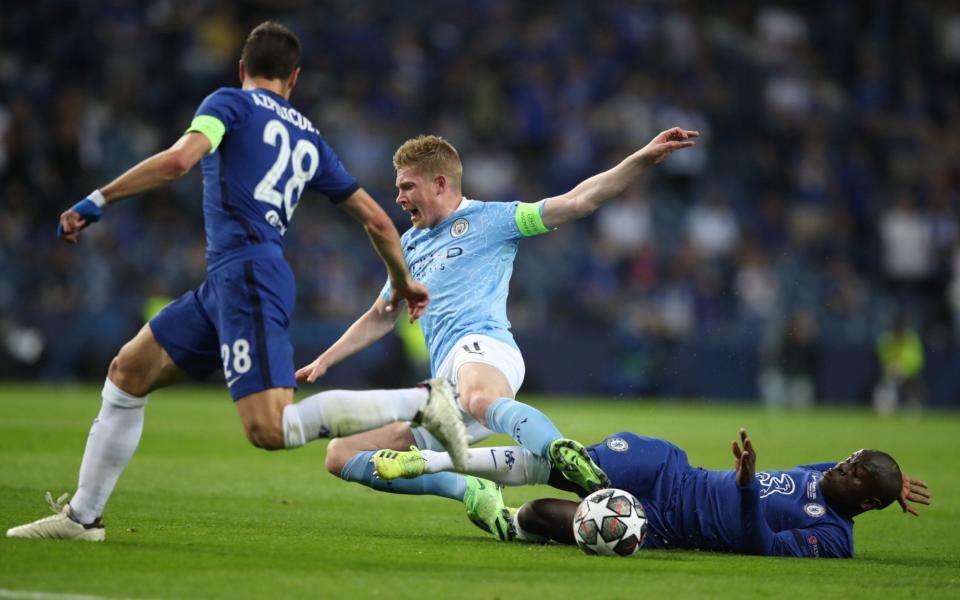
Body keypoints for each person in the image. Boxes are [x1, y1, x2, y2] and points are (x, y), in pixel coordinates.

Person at [7, 21, 472, 542]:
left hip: (248, 273)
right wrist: (402, 280)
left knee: (269, 429)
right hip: (231, 280)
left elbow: (181, 159)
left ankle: (422, 402)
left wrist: (100, 198)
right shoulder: (309, 136)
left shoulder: (228, 103)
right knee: (127, 372)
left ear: (241, 68)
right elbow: (379, 222)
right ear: (293, 78)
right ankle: (82, 519)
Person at [295, 127, 699, 538]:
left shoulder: (493, 219)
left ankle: (560, 452)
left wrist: (643, 157)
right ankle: (472, 491)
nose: (399, 197)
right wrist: (325, 359)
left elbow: (579, 200)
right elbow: (382, 314)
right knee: (342, 454)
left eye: (406, 186)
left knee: (479, 396)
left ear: (439, 183)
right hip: (443, 385)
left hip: (484, 348)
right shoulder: (410, 243)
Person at [374, 429, 930, 558]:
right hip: (675, 472)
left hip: (663, 524)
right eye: (853, 459)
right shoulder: (827, 478)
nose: (843, 465)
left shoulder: (833, 538)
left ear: (865, 504)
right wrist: (886, 478)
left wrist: (743, 489)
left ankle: (504, 519)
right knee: (569, 464)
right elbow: (847, 473)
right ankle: (438, 457)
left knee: (545, 513)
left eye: (856, 473)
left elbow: (762, 544)